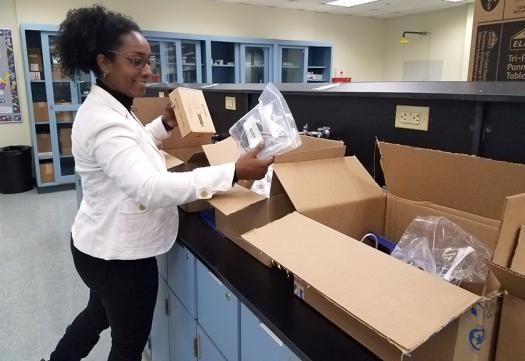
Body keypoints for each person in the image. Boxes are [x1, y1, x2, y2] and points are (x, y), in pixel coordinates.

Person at [43, 5, 272, 361]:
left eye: (148, 62)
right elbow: (148, 188)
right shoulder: (106, 120)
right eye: (136, 61)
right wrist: (233, 172)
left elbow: (131, 145)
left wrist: (162, 126)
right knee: (128, 344)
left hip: (97, 247)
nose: (148, 72)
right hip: (119, 259)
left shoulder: (112, 105)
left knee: (96, 316)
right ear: (105, 63)